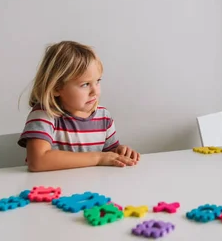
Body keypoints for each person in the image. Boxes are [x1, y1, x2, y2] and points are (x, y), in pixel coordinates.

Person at [17, 41, 140, 171]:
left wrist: (120, 153)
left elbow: (108, 155)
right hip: (52, 189)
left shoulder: (103, 117)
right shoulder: (44, 115)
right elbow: (38, 161)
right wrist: (98, 158)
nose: (95, 91)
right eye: (85, 84)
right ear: (56, 88)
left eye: (97, 81)